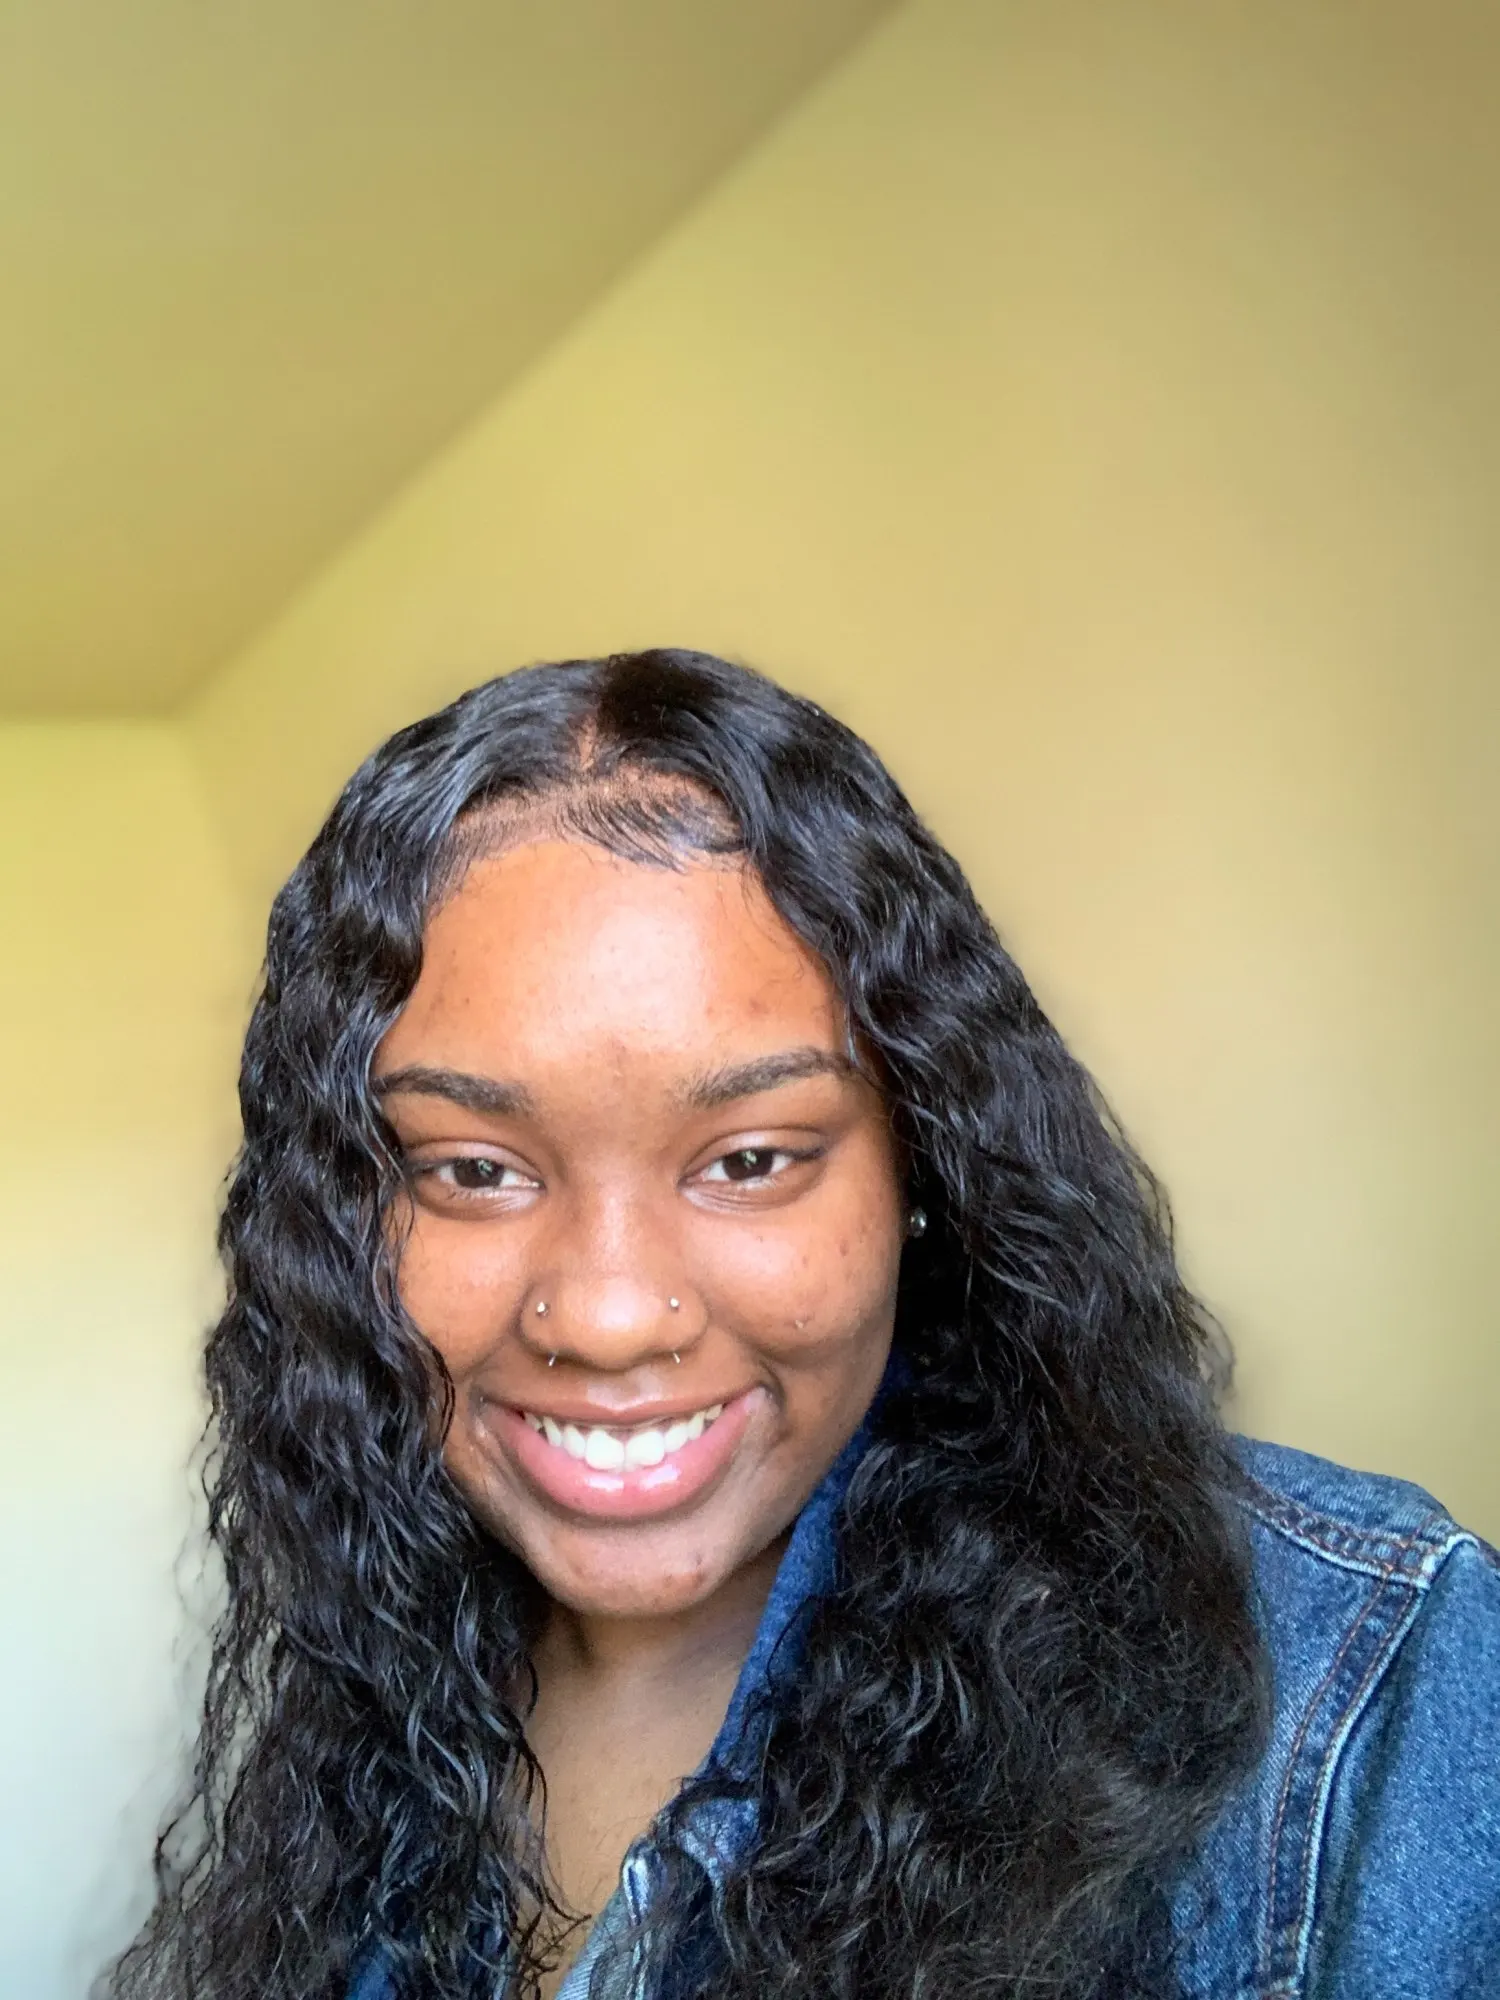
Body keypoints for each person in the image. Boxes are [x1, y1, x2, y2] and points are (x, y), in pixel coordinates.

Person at [108, 649, 1499, 2000]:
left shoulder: (1361, 1685)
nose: (607, 1316)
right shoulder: (388, 1656)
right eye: (473, 1170)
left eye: (752, 1158)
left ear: (922, 1166)